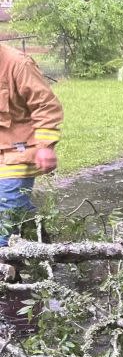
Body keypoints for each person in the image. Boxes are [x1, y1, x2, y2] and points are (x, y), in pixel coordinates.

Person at [0, 42, 63, 282]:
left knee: (6, 210)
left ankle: (7, 272)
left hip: (18, 152)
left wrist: (46, 146)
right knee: (18, 207)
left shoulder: (18, 64)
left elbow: (46, 106)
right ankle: (41, 243)